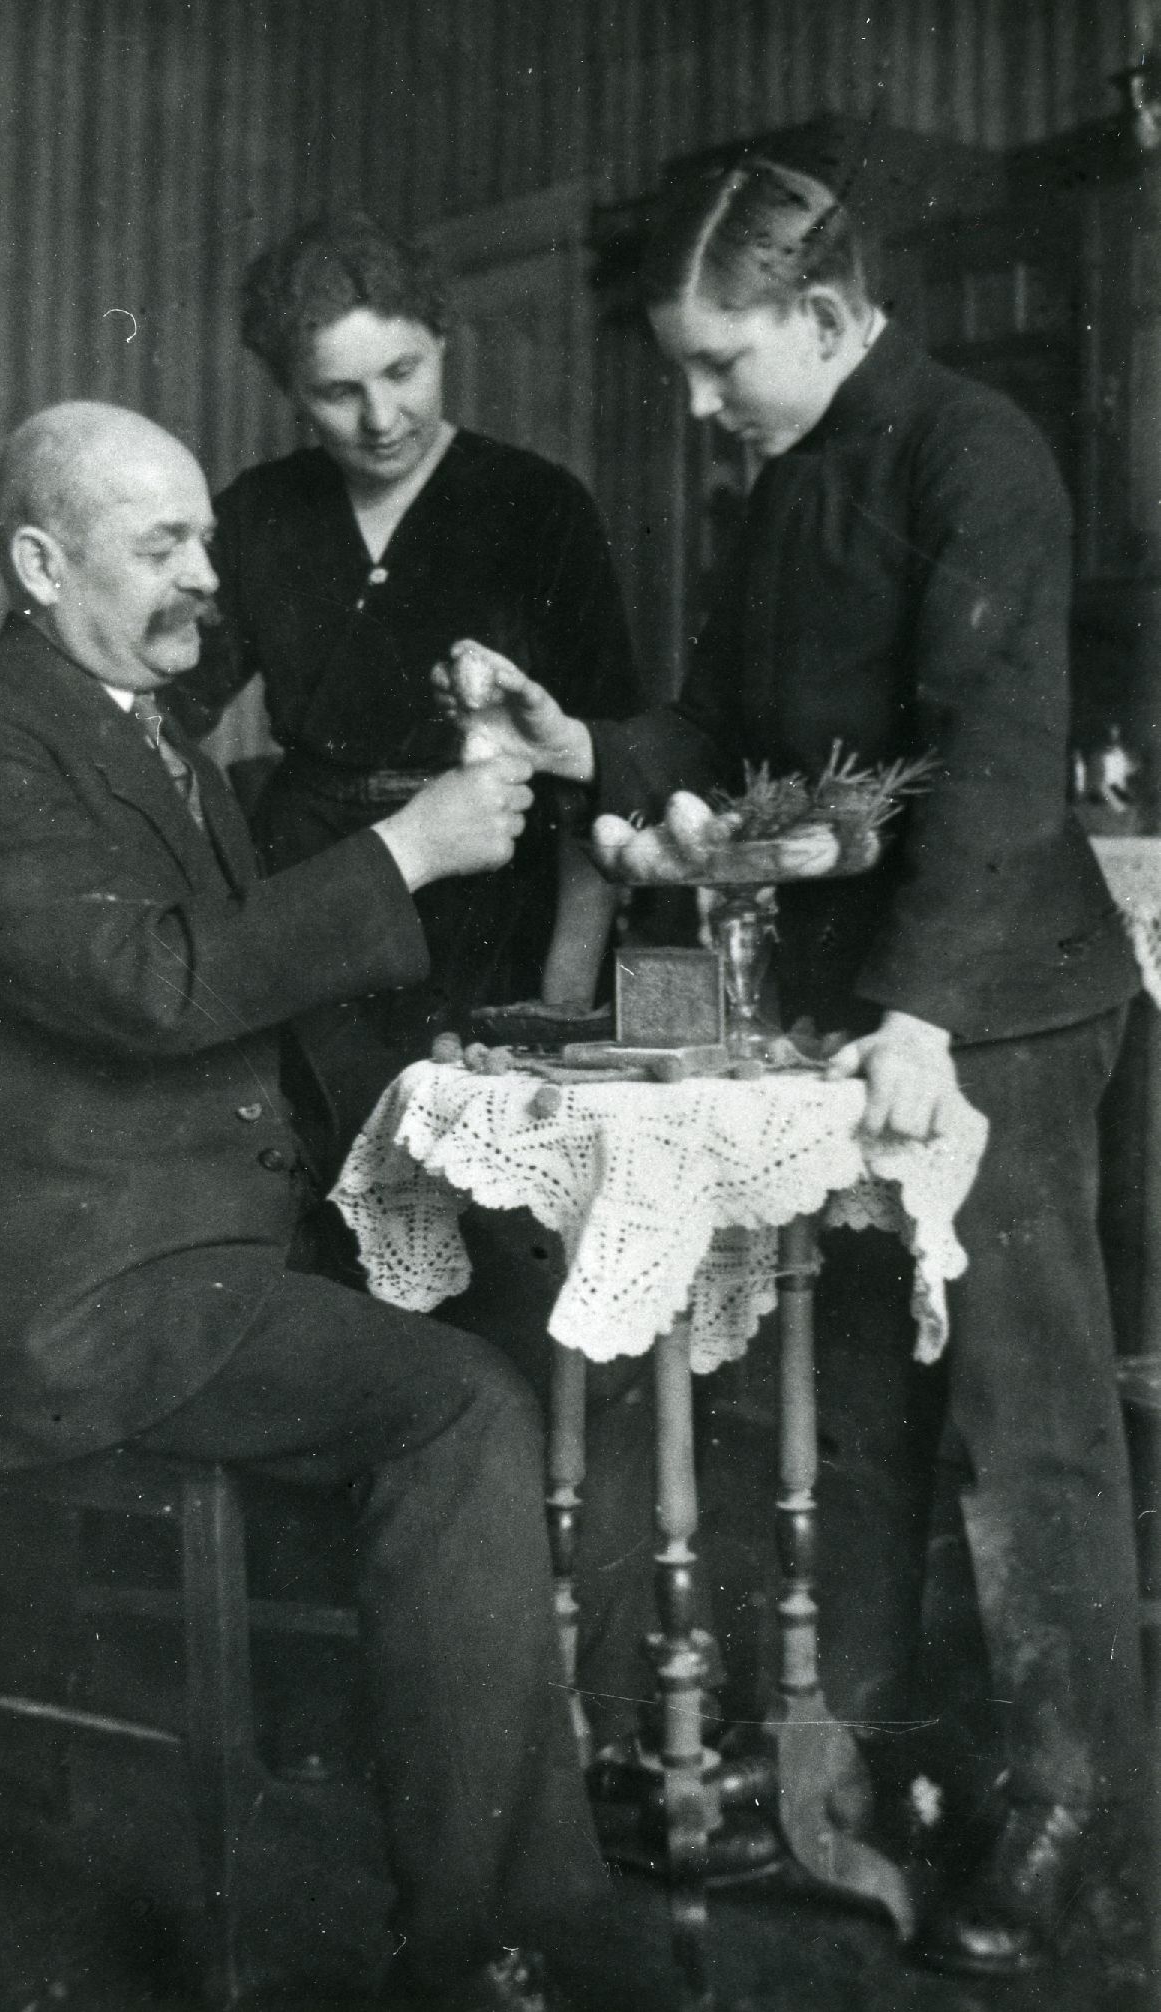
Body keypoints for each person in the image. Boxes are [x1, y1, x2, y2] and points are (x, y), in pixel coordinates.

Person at [438, 157, 1147, 1979]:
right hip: (860, 1016)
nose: (693, 404)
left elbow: (995, 753)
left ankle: (1073, 1821)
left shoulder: (971, 454)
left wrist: (917, 1010)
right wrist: (584, 736)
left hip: (988, 1007)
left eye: (717, 361)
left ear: (827, 320)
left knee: (1020, 1420)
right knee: (858, 1413)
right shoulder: (780, 484)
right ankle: (889, 1783)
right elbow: (735, 736)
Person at [0, 399, 636, 2012]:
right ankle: (495, 1939)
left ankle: (520, 1842)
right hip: (87, 1301)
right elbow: (155, 987)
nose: (210, 576)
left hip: (195, 1256)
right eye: (162, 546)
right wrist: (410, 853)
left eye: (207, 537)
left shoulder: (151, 741)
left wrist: (445, 846)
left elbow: (248, 978)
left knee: (526, 1317)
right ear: (36, 560)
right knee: (457, 1408)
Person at [166, 211, 641, 1155]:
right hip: (313, 896)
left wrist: (560, 993)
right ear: (289, 391)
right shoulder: (260, 513)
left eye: (402, 373)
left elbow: (605, 764)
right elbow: (169, 702)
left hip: (494, 904)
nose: (380, 419)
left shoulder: (539, 506)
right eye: (337, 392)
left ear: (441, 342)